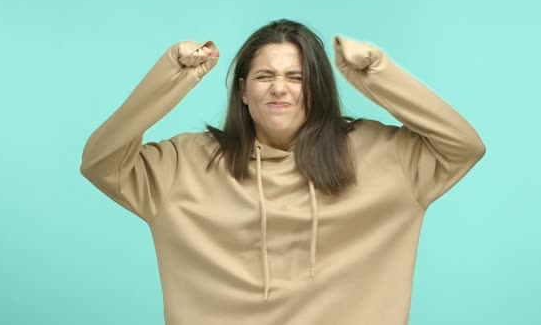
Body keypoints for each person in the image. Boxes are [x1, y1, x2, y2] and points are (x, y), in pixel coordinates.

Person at [80, 19, 485, 325]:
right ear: (242, 91)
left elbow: (463, 147)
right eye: (264, 76)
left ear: (318, 88)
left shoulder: (383, 156)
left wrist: (377, 75)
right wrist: (173, 77)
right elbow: (101, 162)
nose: (280, 88)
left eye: (296, 77)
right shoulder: (184, 164)